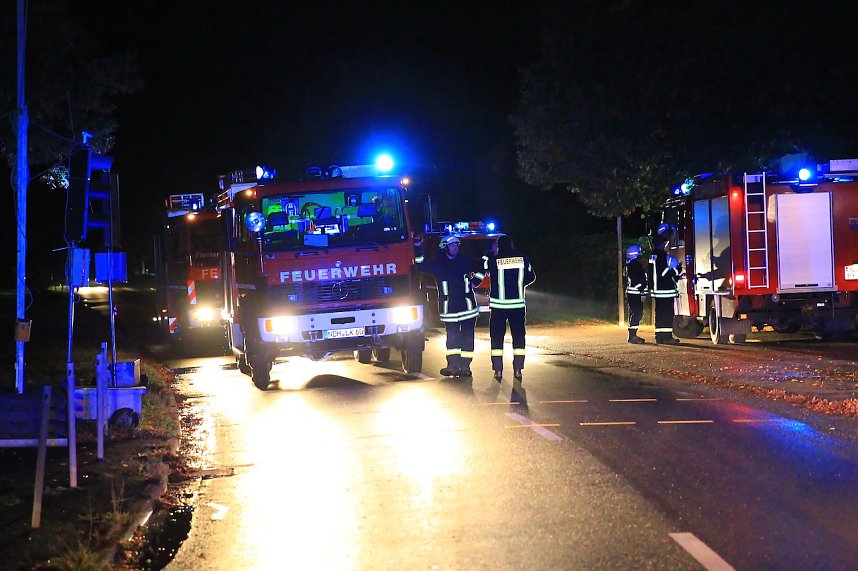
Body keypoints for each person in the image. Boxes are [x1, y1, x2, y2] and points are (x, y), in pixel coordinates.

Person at [415, 234, 481, 377]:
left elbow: (484, 266)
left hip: (467, 308)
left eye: (457, 245)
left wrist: (475, 281)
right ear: (445, 247)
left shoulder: (465, 260)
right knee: (452, 338)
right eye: (452, 245)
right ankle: (452, 366)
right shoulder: (438, 264)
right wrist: (418, 247)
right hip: (449, 309)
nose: (455, 247)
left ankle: (465, 367)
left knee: (467, 338)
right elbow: (419, 264)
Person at [478, 235, 536, 382]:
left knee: (497, 338)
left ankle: (498, 369)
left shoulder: (494, 260)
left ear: (499, 246)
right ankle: (518, 369)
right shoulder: (522, 258)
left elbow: (482, 266)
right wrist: (519, 284)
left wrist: (491, 252)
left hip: (499, 306)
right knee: (518, 337)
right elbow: (532, 276)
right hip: (517, 305)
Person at [649, 223, 681, 345]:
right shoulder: (662, 256)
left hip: (657, 291)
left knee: (660, 314)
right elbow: (663, 273)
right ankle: (667, 337)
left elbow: (654, 273)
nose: (666, 243)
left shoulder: (653, 255)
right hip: (665, 290)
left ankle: (660, 336)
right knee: (667, 314)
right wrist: (674, 268)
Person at [624, 244, 648, 344]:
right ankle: (632, 336)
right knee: (637, 314)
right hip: (635, 294)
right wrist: (642, 291)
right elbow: (637, 281)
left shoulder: (630, 265)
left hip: (633, 294)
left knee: (636, 314)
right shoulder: (635, 265)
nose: (641, 255)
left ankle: (633, 335)